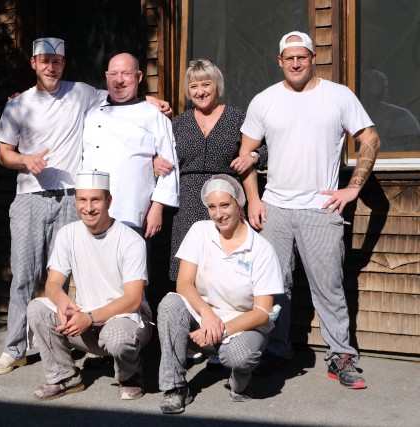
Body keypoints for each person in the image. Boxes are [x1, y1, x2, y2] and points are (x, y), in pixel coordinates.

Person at [0, 39, 170, 375]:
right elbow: (3, 153)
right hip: (30, 196)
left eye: (57, 61)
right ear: (33, 63)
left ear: (64, 63)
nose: (51, 67)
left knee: (74, 275)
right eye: (44, 61)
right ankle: (13, 348)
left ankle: (64, 341)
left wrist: (151, 100)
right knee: (25, 275)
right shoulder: (18, 105)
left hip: (73, 195)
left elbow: (119, 94)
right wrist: (25, 160)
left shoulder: (82, 93)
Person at [233, 31, 381, 389]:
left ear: (314, 58)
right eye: (289, 58)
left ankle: (341, 357)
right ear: (279, 60)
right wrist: (253, 199)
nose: (296, 63)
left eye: (303, 56)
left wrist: (353, 188)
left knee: (329, 285)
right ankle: (277, 352)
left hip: (321, 207)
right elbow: (245, 155)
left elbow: (371, 139)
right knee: (274, 286)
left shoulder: (338, 96)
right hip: (275, 209)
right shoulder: (264, 100)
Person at [164, 58, 267, 368]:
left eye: (206, 84)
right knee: (185, 273)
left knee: (226, 272)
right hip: (187, 205)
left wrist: (252, 158)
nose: (200, 90)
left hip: (225, 204)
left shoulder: (238, 117)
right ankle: (189, 340)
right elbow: (159, 153)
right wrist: (156, 163)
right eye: (193, 86)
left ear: (217, 86)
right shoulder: (178, 123)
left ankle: (226, 337)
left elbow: (263, 151)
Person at [157, 174, 283, 414]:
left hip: (242, 324)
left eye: (225, 205)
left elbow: (263, 312)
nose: (218, 214)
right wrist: (207, 315)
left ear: (239, 203)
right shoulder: (199, 231)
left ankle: (240, 384)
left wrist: (221, 329)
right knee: (169, 304)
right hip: (203, 316)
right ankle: (175, 387)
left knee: (241, 356)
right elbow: (183, 284)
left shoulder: (261, 250)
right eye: (212, 207)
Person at [26, 170, 152, 401]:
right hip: (84, 319)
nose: (89, 207)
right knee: (37, 308)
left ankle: (130, 377)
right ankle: (65, 377)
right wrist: (65, 304)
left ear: (109, 201)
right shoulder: (67, 234)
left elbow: (133, 300)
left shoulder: (130, 239)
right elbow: (53, 284)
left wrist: (90, 318)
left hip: (125, 320)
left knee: (116, 336)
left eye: (95, 200)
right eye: (82, 200)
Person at [82, 53, 179, 238]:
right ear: (106, 77)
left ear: (139, 76)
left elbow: (170, 167)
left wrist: (157, 208)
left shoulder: (154, 115)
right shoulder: (91, 114)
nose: (119, 80)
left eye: (126, 73)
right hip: (91, 213)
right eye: (114, 74)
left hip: (133, 212)